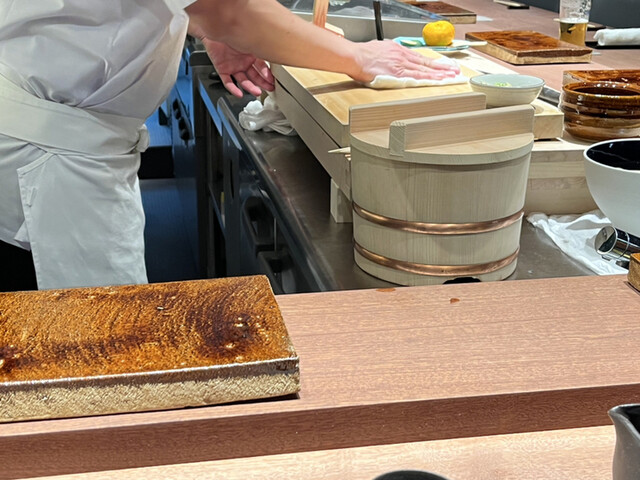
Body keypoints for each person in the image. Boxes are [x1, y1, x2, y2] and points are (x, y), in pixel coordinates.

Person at [0, 0, 459, 291]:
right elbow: (229, 10)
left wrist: (205, 27)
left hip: (49, 130)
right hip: (43, 153)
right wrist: (359, 57)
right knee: (72, 360)